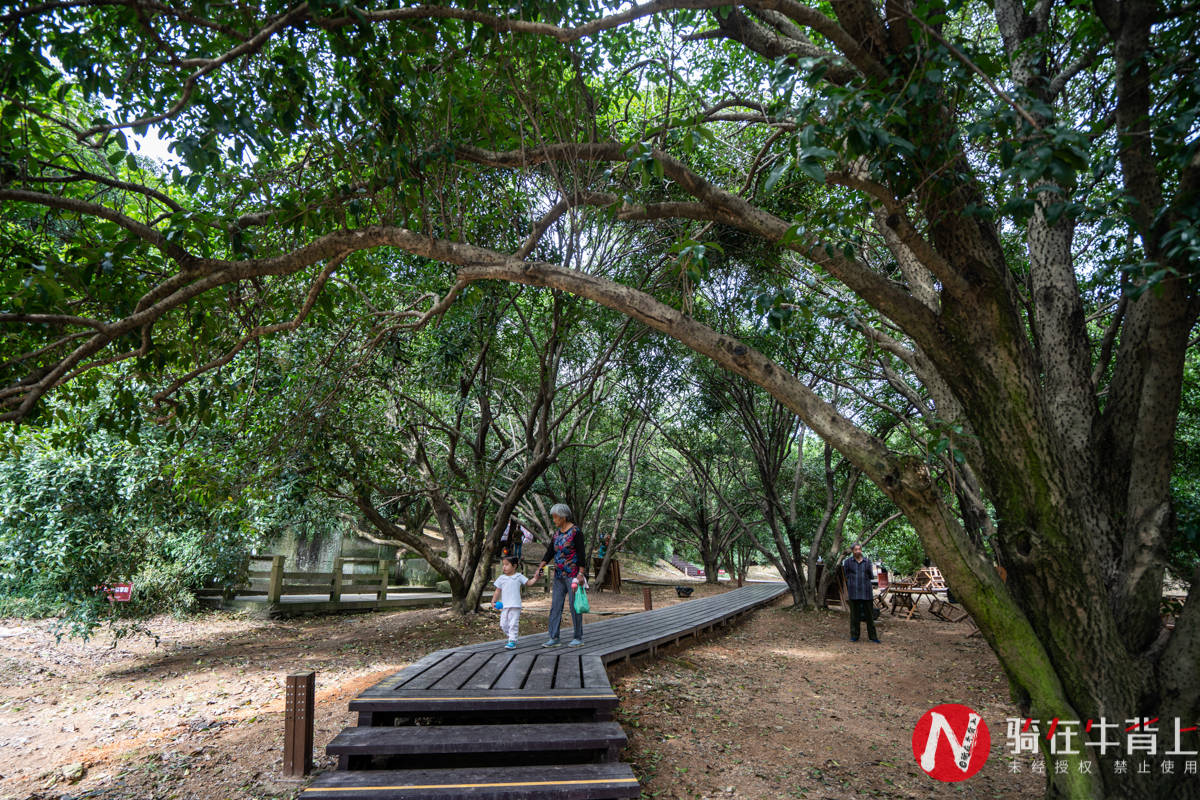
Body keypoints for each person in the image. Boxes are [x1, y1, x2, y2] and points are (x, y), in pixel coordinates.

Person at [533, 503, 585, 647]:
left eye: (555, 517)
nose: (554, 520)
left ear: (563, 517)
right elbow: (550, 551)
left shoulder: (576, 532)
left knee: (575, 606)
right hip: (558, 575)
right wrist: (541, 567)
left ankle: (578, 637)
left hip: (572, 575)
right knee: (556, 606)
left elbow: (581, 554)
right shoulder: (557, 534)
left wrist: (581, 573)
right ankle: (554, 637)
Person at [842, 542, 879, 643]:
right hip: (854, 592)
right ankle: (854, 636)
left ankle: (873, 637)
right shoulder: (848, 562)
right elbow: (846, 575)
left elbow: (871, 575)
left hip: (866, 592)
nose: (858, 551)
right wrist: (853, 581)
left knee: (870, 616)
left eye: (859, 549)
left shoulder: (867, 562)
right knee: (854, 616)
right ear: (853, 551)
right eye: (856, 550)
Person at [491, 556, 529, 650]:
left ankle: (512, 640)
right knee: (503, 624)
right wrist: (493, 601)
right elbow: (497, 591)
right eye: (503, 565)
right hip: (505, 605)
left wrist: (536, 577)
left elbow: (529, 583)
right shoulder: (501, 578)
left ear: (514, 566)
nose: (504, 567)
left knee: (513, 624)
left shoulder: (519, 576)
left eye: (507, 565)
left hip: (515, 605)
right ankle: (512, 636)